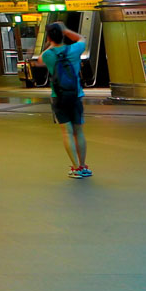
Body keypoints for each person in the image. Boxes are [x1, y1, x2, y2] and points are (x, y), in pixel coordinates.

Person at [40, 20, 90, 179]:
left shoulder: (48, 55)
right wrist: (66, 30)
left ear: (48, 37)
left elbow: (40, 60)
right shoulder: (75, 49)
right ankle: (83, 166)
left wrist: (52, 42)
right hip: (76, 95)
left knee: (67, 132)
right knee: (79, 131)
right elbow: (82, 38)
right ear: (62, 35)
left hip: (58, 97)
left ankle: (75, 167)